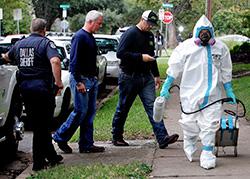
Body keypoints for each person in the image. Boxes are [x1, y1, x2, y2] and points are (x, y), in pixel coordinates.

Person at [160, 15, 236, 169]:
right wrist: (166, 85)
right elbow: (174, 67)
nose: (205, 35)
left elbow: (226, 70)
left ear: (212, 32)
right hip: (190, 94)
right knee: (189, 123)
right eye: (202, 32)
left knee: (210, 124)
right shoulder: (185, 48)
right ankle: (190, 138)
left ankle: (207, 152)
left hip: (213, 95)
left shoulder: (220, 48)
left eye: (208, 32)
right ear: (196, 32)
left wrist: (229, 90)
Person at [1, 18, 64, 171]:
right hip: (43, 91)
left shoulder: (20, 44)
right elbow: (55, 61)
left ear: (31, 28)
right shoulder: (46, 43)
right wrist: (58, 82)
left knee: (40, 125)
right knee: (42, 127)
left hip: (26, 90)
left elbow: (7, 57)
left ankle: (52, 157)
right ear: (44, 30)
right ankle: (38, 164)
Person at [111, 10, 179, 148]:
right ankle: (117, 136)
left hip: (146, 78)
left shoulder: (149, 36)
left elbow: (151, 56)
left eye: (152, 25)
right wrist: (140, 57)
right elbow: (120, 53)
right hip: (129, 76)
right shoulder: (130, 33)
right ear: (142, 19)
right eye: (149, 23)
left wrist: (156, 75)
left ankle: (162, 137)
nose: (150, 26)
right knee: (123, 107)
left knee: (153, 107)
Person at [53, 10, 105, 154]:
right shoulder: (79, 37)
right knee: (80, 111)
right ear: (90, 21)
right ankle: (60, 136)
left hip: (91, 79)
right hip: (81, 79)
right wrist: (78, 81)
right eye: (98, 23)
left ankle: (86, 144)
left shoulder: (90, 37)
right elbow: (74, 61)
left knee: (89, 113)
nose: (100, 26)